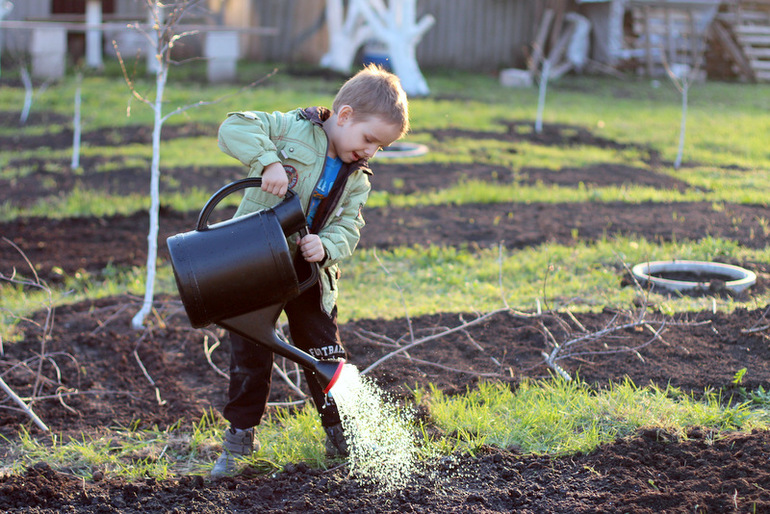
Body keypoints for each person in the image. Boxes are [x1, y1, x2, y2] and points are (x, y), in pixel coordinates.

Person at [210, 64, 410, 478]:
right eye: (369, 139)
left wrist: (328, 246)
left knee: (324, 353)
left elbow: (349, 226)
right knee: (250, 356)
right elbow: (233, 127)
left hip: (309, 276)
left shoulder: (358, 178)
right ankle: (240, 443)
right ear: (344, 115)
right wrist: (267, 162)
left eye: (380, 148)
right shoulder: (289, 129)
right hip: (256, 264)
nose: (371, 151)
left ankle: (343, 439)